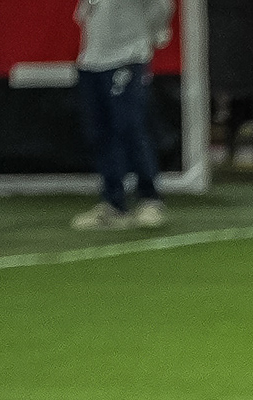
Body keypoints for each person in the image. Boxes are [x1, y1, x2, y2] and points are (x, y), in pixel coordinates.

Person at [71, 0, 173, 229]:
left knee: (129, 127)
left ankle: (150, 200)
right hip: (92, 60)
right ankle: (113, 203)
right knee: (101, 133)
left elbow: (161, 6)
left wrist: (152, 36)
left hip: (127, 57)